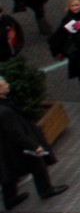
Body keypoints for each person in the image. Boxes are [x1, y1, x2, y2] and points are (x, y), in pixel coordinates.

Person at [0, 73, 67, 205]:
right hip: (16, 146)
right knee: (37, 165)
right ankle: (46, 190)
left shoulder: (4, 103)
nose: (7, 86)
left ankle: (10, 199)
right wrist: (33, 146)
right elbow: (16, 133)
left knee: (8, 171)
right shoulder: (4, 111)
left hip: (6, 147)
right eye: (3, 85)